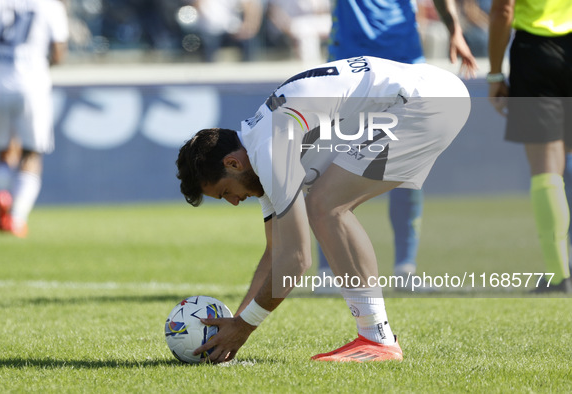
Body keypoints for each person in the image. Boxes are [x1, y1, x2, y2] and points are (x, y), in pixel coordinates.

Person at [176, 55, 471, 363]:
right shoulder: (261, 147)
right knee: (325, 204)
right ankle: (376, 338)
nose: (235, 202)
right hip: (430, 95)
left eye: (225, 193)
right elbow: (277, 251)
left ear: (233, 163)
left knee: (326, 205)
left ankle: (377, 340)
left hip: (426, 102)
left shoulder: (269, 149)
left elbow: (297, 260)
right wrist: (234, 328)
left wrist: (245, 325)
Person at [316, 0, 477, 290]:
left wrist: (454, 29)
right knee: (333, 163)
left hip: (402, 63)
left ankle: (405, 269)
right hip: (351, 63)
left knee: (404, 168)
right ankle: (328, 271)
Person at [488, 0, 572, 292]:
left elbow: (502, 10)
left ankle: (560, 275)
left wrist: (496, 75)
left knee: (547, 168)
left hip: (537, 52)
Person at [0, 0, 69, 238]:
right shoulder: (50, 6)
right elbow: (59, 52)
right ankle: (17, 217)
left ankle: (2, 194)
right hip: (31, 84)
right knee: (31, 153)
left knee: (3, 149)